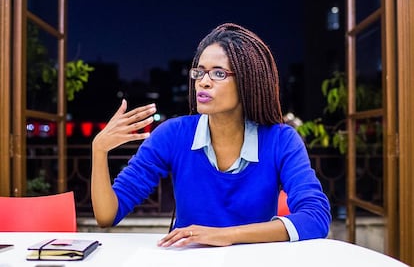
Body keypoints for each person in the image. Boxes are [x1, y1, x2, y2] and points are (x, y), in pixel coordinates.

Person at [91, 23, 331, 247]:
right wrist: (99, 150)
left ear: (248, 81)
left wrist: (225, 235)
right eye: (199, 72)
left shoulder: (281, 140)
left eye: (218, 74)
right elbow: (107, 215)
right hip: (189, 259)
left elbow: (315, 217)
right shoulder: (172, 135)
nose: (203, 83)